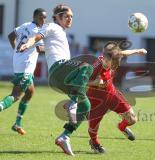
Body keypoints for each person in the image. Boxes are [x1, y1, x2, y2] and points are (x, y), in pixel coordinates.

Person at [18, 4, 93, 156]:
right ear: (57, 17)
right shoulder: (51, 26)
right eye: (66, 16)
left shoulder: (61, 33)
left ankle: (65, 136)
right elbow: (38, 36)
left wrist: (40, 47)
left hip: (61, 78)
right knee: (87, 66)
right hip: (58, 70)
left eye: (71, 16)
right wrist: (28, 43)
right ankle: (72, 103)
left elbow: (44, 46)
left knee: (86, 107)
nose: (70, 19)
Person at [63, 41, 147, 154]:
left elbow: (124, 53)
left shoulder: (114, 55)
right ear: (106, 60)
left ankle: (122, 127)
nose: (114, 67)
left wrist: (138, 51)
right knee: (93, 129)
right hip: (95, 100)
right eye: (113, 65)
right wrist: (95, 83)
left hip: (112, 95)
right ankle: (94, 143)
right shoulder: (93, 66)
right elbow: (79, 81)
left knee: (132, 119)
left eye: (116, 65)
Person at [0, 8, 47, 135]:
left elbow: (11, 36)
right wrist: (53, 49)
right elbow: (40, 49)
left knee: (30, 92)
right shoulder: (36, 30)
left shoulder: (25, 25)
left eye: (45, 17)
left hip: (19, 63)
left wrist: (15, 49)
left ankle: (17, 124)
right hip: (26, 66)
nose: (44, 20)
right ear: (35, 16)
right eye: (42, 17)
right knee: (16, 95)